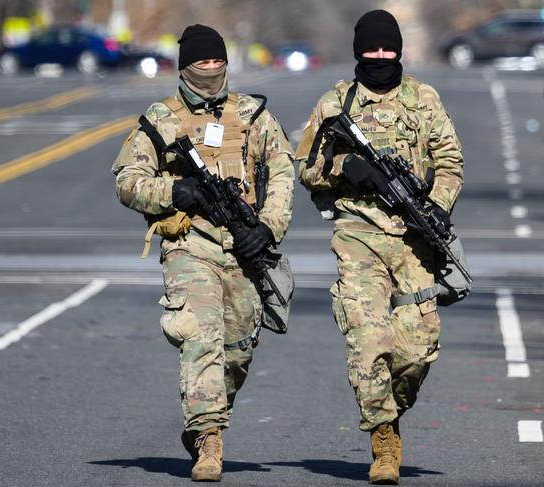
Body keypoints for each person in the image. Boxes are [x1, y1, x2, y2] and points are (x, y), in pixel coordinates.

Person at [112, 24, 294, 482]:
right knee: (201, 336)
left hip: (246, 248)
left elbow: (282, 172)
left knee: (237, 350)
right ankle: (209, 438)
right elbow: (127, 181)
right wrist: (177, 191)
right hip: (190, 245)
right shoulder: (162, 118)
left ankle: (206, 417)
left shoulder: (253, 115)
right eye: (201, 62)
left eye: (217, 61)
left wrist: (267, 230)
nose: (210, 69)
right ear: (185, 66)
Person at [296, 10, 464, 485]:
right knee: (368, 341)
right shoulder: (335, 103)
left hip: (414, 239)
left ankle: (389, 403)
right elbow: (305, 166)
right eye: (372, 51)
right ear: (358, 52)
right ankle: (384, 438)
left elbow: (450, 162)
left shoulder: (423, 99)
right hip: (358, 234)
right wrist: (345, 166)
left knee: (416, 351)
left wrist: (438, 206)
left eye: (388, 50)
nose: (380, 58)